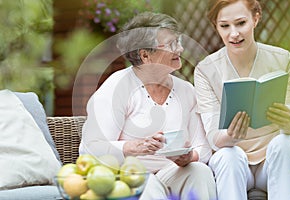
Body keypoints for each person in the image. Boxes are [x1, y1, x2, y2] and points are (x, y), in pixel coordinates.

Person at [79, 12, 217, 200]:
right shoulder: (116, 88)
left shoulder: (186, 91)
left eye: (178, 41)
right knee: (148, 184)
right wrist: (133, 147)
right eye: (172, 44)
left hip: (171, 173)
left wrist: (189, 156)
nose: (181, 49)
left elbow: (203, 147)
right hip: (128, 176)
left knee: (199, 171)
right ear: (145, 55)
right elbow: (91, 148)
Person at [194, 0, 290, 200]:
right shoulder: (206, 70)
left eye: (241, 23)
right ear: (216, 27)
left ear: (256, 18)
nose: (233, 33)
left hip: (272, 162)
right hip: (235, 163)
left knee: (287, 142)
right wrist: (231, 136)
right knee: (228, 154)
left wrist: (287, 123)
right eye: (224, 26)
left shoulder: (283, 60)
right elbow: (213, 137)